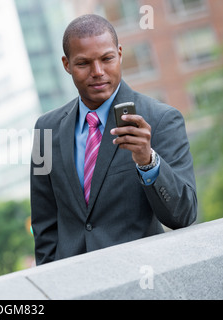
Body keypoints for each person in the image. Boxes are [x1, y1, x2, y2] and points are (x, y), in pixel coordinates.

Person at [30, 14, 197, 266]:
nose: (98, 72)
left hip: (138, 277)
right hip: (73, 282)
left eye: (106, 59)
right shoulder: (45, 130)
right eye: (84, 63)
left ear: (119, 54)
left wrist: (147, 161)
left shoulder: (161, 119)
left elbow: (183, 215)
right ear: (66, 64)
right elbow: (44, 221)